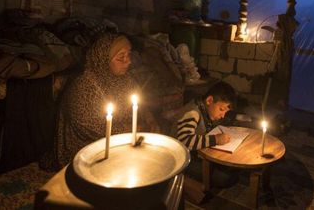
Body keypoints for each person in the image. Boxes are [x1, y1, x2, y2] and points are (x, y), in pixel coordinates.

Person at [52, 33, 157, 167]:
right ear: (104, 59)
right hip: (86, 147)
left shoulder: (126, 80)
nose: (129, 61)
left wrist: (149, 119)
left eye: (128, 54)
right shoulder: (83, 86)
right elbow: (89, 126)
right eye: (121, 57)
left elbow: (139, 106)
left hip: (123, 138)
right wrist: (132, 130)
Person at [175, 81, 237, 201]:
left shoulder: (205, 109)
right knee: (226, 178)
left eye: (225, 112)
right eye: (221, 109)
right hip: (181, 159)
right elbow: (185, 141)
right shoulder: (192, 113)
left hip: (197, 155)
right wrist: (215, 139)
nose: (223, 115)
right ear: (209, 101)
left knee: (231, 169)